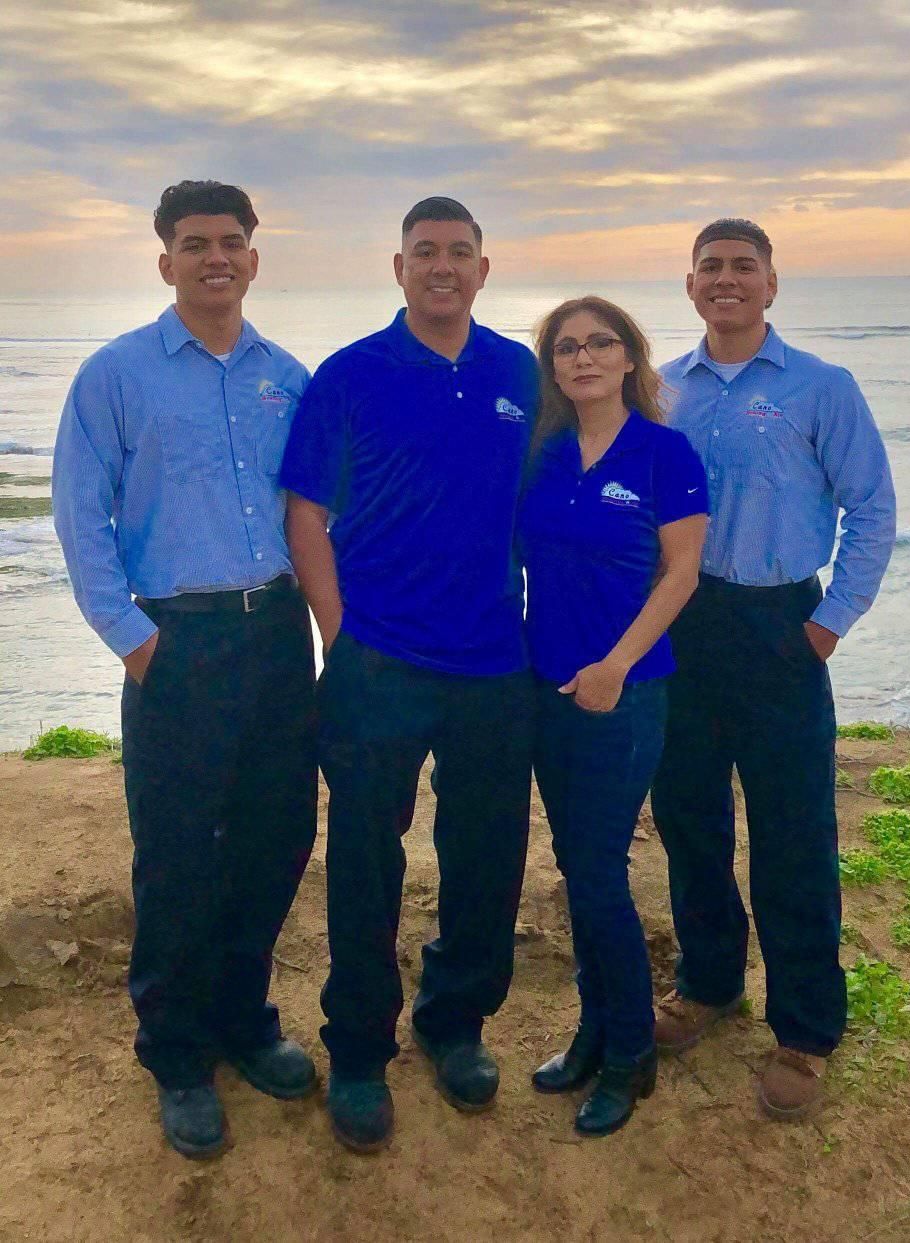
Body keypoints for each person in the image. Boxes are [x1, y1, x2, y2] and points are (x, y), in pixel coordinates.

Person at [52, 180, 318, 1159]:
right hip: (178, 640)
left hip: (278, 633)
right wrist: (133, 637)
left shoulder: (285, 377)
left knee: (277, 833)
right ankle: (175, 1052)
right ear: (165, 259)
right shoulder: (115, 376)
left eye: (232, 241)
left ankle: (243, 1018)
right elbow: (83, 515)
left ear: (253, 257)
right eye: (195, 242)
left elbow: (316, 513)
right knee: (175, 853)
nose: (216, 257)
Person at [281, 196, 538, 1152]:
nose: (441, 266)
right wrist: (341, 635)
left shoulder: (522, 372)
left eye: (458, 252)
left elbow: (560, 499)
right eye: (424, 252)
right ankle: (357, 1049)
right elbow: (306, 513)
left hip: (492, 661)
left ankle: (455, 1021)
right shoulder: (349, 374)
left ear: (483, 268)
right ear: (398, 269)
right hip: (376, 661)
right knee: (362, 860)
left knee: (486, 856)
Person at [650, 218, 896, 1120]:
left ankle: (805, 1029)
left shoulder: (821, 388)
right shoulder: (663, 389)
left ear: (770, 283)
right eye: (710, 267)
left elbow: (872, 510)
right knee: (690, 819)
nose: (726, 280)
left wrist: (825, 627)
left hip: (782, 626)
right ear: (690, 286)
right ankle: (710, 983)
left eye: (742, 267)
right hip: (683, 627)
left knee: (794, 833)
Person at [518, 297, 707, 1136]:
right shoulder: (545, 455)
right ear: (553, 368)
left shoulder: (667, 452)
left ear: (630, 357)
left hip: (626, 694)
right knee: (575, 866)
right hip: (545, 691)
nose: (583, 356)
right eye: (566, 347)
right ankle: (595, 1030)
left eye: (600, 342)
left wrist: (615, 666)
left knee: (596, 874)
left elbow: (682, 573)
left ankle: (631, 1055)